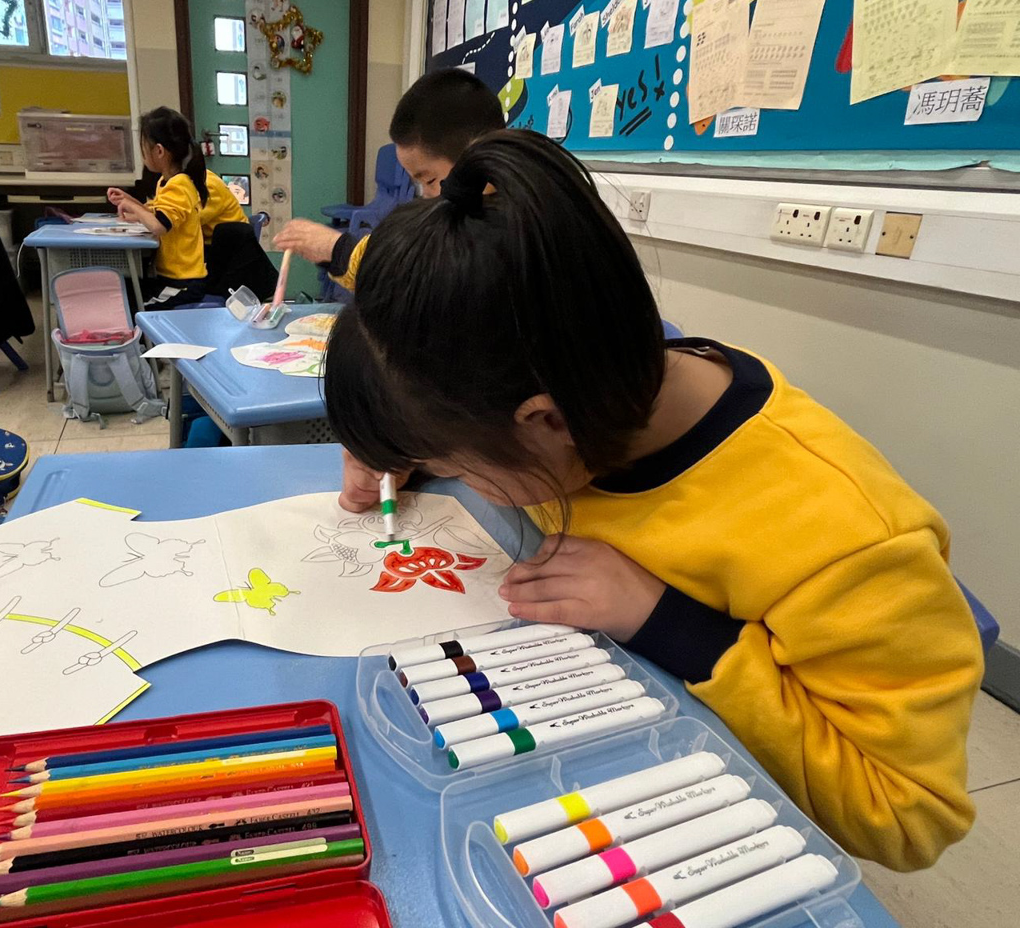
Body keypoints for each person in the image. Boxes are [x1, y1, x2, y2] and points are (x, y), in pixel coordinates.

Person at [324, 130, 983, 872]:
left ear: (548, 422)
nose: (455, 477)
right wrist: (395, 444)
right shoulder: (587, 376)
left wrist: (669, 623)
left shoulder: (847, 539)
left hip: (696, 834)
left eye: (457, 465)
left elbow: (908, 815)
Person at [273, 68, 505, 292]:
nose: (426, 195)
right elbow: (405, 256)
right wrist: (334, 251)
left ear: (478, 157)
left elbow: (425, 279)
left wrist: (337, 250)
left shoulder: (507, 229)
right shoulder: (464, 210)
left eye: (430, 180)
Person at [108, 108, 209, 310]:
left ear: (159, 151)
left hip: (183, 283)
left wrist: (131, 206)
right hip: (173, 278)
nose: (143, 157)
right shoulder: (167, 181)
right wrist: (128, 201)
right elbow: (156, 213)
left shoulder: (179, 185)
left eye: (143, 150)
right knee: (123, 292)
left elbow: (159, 226)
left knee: (131, 307)